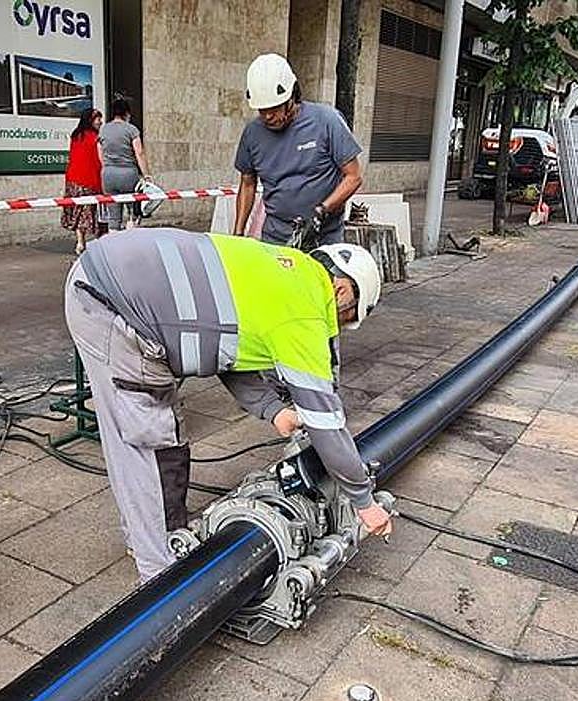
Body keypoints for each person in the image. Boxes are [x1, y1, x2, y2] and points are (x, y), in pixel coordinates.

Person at [64, 227, 391, 582]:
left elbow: (223, 346)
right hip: (113, 302)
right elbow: (325, 421)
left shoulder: (285, 271)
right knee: (151, 441)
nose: (338, 329)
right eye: (347, 317)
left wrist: (273, 409)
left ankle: (147, 539)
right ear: (342, 289)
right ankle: (160, 580)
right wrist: (363, 501)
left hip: (108, 281)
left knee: (148, 435)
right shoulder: (306, 311)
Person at [233, 53, 363, 246]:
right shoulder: (252, 134)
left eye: (274, 109)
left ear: (291, 97)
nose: (268, 116)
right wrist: (238, 234)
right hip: (276, 237)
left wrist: (322, 211)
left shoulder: (326, 121)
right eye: (262, 110)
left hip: (323, 237)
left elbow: (353, 177)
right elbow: (247, 183)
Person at [99, 98, 151, 232]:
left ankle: (113, 245)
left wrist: (107, 166)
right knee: (133, 212)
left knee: (113, 216)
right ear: (126, 113)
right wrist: (146, 175)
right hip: (128, 174)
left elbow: (99, 150)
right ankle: (130, 240)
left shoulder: (104, 129)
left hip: (108, 175)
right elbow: (139, 152)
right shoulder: (131, 130)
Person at [62, 109, 105, 254]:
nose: (100, 122)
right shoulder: (95, 138)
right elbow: (101, 160)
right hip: (88, 179)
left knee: (77, 210)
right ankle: (96, 241)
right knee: (88, 211)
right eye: (97, 119)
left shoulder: (76, 135)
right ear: (90, 120)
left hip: (73, 178)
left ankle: (80, 241)